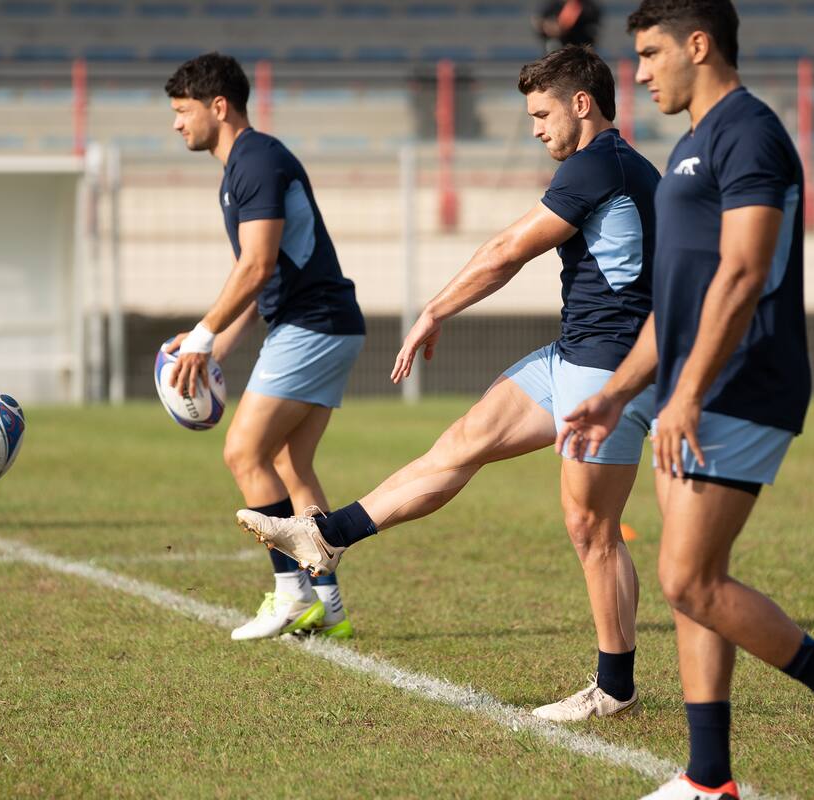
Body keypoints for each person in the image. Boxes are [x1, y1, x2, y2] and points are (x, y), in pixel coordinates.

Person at [238, 45, 661, 721]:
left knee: (591, 526)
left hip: (607, 369)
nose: (535, 129)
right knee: (461, 443)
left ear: (583, 104)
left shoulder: (599, 165)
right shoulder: (617, 166)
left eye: (542, 113)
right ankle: (328, 534)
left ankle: (614, 688)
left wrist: (434, 308)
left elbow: (506, 252)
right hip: (572, 356)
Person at [556, 3, 814, 798]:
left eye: (649, 54)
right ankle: (709, 779)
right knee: (694, 586)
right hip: (692, 388)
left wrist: (689, 392)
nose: (638, 73)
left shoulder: (749, 132)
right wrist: (618, 393)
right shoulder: (691, 145)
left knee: (688, 581)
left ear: (698, 46)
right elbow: (675, 306)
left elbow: (744, 274)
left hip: (741, 386)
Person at [164, 52, 365, 641]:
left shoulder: (254, 160)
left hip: (314, 323)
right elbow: (262, 276)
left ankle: (289, 595)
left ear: (218, 106)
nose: (177, 124)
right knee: (290, 464)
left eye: (182, 111)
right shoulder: (244, 167)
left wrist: (202, 336)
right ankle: (327, 604)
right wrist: (218, 346)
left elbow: (254, 267)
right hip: (325, 323)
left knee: (244, 454)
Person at [533, 0, 604, 50]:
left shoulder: (587, 6)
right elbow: (538, 21)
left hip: (578, 49)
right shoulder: (553, 5)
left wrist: (564, 28)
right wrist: (546, 27)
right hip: (555, 48)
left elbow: (592, 27)